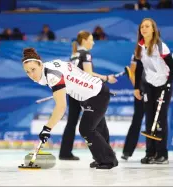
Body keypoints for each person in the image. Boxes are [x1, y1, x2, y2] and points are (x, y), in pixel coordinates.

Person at [22, 48, 118, 169]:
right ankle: (102, 158)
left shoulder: (52, 75)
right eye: (27, 72)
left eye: (33, 70)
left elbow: (61, 107)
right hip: (85, 96)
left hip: (97, 94)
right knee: (98, 127)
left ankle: (108, 160)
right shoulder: (47, 68)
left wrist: (47, 128)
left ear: (40, 64)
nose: (31, 75)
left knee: (86, 128)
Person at [59, 31, 117, 166]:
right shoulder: (86, 54)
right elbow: (88, 74)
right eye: (91, 39)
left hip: (73, 91)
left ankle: (65, 152)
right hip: (86, 93)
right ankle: (105, 156)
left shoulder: (74, 55)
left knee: (73, 122)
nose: (93, 42)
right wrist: (106, 78)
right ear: (84, 40)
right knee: (99, 124)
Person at [134, 18, 173, 164]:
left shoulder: (160, 46)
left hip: (163, 85)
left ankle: (162, 153)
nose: (144, 29)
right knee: (149, 118)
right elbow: (139, 68)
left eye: (147, 26)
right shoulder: (139, 46)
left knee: (160, 120)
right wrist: (137, 88)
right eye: (142, 27)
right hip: (149, 85)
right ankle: (150, 153)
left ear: (153, 29)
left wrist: (168, 84)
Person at [121, 56, 145, 160]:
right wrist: (137, 88)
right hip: (140, 90)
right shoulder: (137, 53)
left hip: (155, 89)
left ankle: (155, 152)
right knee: (137, 119)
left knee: (155, 120)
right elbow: (132, 73)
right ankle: (127, 151)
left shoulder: (159, 49)